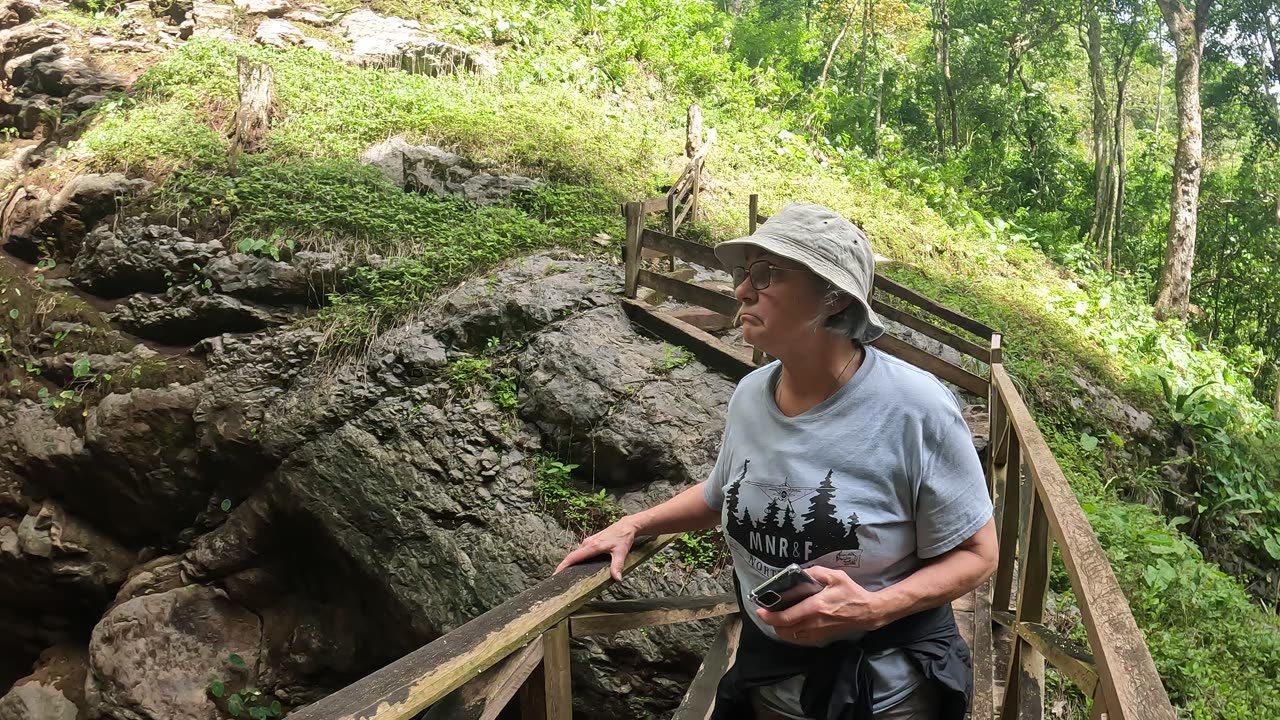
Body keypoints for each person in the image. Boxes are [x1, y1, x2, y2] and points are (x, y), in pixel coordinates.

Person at [555, 203, 998, 720]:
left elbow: (979, 554)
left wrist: (875, 609)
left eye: (766, 275)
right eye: (744, 273)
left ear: (833, 297)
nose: (742, 290)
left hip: (887, 695)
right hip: (771, 678)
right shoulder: (749, 395)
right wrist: (635, 523)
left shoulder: (916, 409)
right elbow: (722, 494)